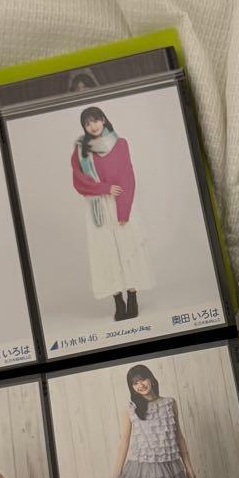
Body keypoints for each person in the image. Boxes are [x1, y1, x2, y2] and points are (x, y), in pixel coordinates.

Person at [70, 107, 154, 322]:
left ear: (104, 119)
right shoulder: (81, 150)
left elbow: (128, 177)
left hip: (121, 202)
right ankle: (118, 301)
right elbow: (79, 182)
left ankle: (132, 297)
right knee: (105, 252)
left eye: (96, 120)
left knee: (127, 247)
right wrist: (104, 188)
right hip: (97, 206)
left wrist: (124, 210)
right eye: (88, 123)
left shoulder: (120, 144)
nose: (93, 126)